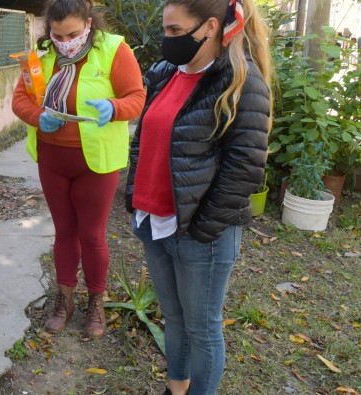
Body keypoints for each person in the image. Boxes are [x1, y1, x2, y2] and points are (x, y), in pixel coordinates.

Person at [125, 0, 272, 393]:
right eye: (166, 30)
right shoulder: (165, 73)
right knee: (174, 318)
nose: (167, 40)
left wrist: (201, 229)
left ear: (209, 27)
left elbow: (244, 170)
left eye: (175, 31)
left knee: (202, 328)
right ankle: (176, 387)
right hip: (154, 223)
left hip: (200, 233)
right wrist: (135, 199)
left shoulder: (241, 81)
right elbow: (144, 142)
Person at [12, 0, 145, 338]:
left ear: (88, 24)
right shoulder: (41, 56)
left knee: (92, 235)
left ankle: (96, 303)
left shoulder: (113, 50)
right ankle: (65, 299)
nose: (65, 41)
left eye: (72, 33)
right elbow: (20, 100)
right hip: (53, 160)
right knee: (64, 232)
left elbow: (137, 97)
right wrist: (37, 117)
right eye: (57, 35)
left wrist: (114, 107)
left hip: (96, 163)